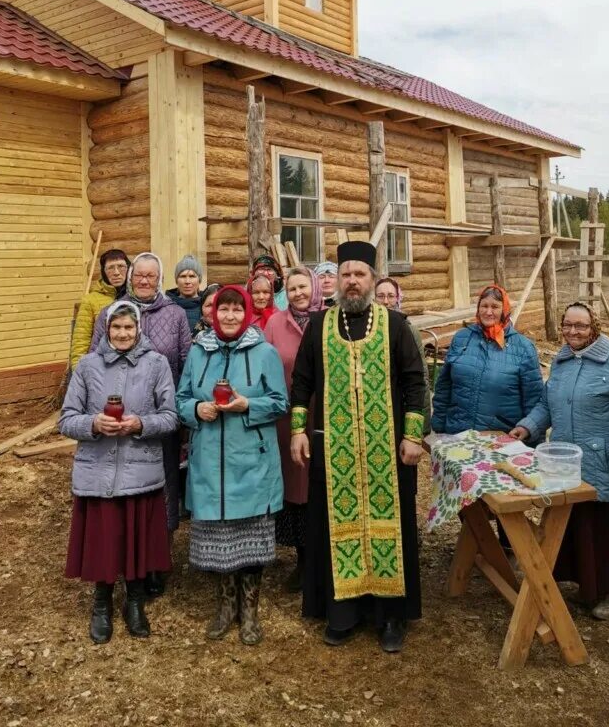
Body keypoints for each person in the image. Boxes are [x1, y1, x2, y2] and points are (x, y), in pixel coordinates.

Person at [290, 241, 426, 653]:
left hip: (387, 450)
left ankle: (390, 618)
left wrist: (413, 435)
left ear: (372, 279)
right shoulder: (319, 325)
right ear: (337, 280)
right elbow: (301, 382)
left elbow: (416, 381)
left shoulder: (396, 325)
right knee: (335, 528)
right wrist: (298, 430)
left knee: (391, 530)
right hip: (336, 451)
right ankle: (342, 614)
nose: (352, 281)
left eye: (359, 275)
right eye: (346, 274)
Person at [510, 301, 609, 619]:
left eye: (580, 326)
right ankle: (587, 588)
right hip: (568, 462)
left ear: (594, 327)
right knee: (578, 522)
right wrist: (526, 426)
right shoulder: (562, 362)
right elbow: (547, 405)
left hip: (605, 461)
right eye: (568, 325)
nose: (573, 332)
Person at [176, 285, 288, 644]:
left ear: (246, 315)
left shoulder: (264, 352)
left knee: (251, 539)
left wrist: (247, 406)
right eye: (223, 309)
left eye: (236, 310)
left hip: (251, 462)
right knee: (221, 539)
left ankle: (250, 610)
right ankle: (225, 605)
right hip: (211, 461)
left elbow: (280, 402)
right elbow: (181, 399)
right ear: (213, 314)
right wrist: (196, 409)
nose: (229, 316)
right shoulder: (198, 353)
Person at [60, 300, 178, 643]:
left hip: (140, 468)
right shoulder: (87, 366)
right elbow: (67, 418)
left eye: (129, 327)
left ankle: (135, 602)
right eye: (116, 327)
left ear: (138, 328)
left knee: (137, 540)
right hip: (99, 471)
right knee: (105, 539)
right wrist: (93, 424)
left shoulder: (156, 364)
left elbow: (170, 415)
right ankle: (101, 604)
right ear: (106, 330)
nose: (123, 334)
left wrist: (141, 423)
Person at [91, 252, 191, 594]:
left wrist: (180, 414)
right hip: (115, 420)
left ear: (160, 278)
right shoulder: (109, 314)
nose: (144, 281)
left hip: (159, 422)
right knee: (117, 488)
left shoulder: (175, 314)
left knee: (161, 490)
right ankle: (121, 557)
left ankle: (155, 562)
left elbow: (185, 364)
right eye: (139, 275)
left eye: (151, 275)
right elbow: (93, 361)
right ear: (130, 277)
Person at [263, 267, 323, 590]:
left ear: (313, 287)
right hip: (287, 419)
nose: (299, 293)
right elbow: (266, 364)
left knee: (319, 485)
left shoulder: (328, 319)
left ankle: (322, 558)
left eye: (303, 286)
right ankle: (302, 560)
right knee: (294, 489)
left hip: (324, 417)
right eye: (293, 287)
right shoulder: (275, 323)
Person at [431, 284, 543, 435]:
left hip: (500, 437)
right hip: (457, 434)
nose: (488, 312)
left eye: (495, 307)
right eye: (484, 306)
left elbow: (534, 400)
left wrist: (533, 437)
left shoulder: (523, 348)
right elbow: (444, 386)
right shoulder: (462, 338)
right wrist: (438, 426)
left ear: (504, 310)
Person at [374, 276, 432, 433]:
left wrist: (423, 424)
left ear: (398, 298)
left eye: (391, 296)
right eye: (380, 296)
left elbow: (421, 377)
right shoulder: (367, 330)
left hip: (401, 406)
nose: (386, 301)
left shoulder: (408, 330)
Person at [70, 249, 130, 369]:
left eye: (121, 266)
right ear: (103, 272)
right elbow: (81, 342)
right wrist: (79, 372)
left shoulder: (135, 297)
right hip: (102, 367)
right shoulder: (90, 301)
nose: (116, 272)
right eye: (110, 268)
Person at [167, 255, 204, 331]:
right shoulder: (166, 306)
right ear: (176, 280)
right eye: (183, 276)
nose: (187, 281)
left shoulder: (207, 306)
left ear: (199, 280)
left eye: (192, 276)